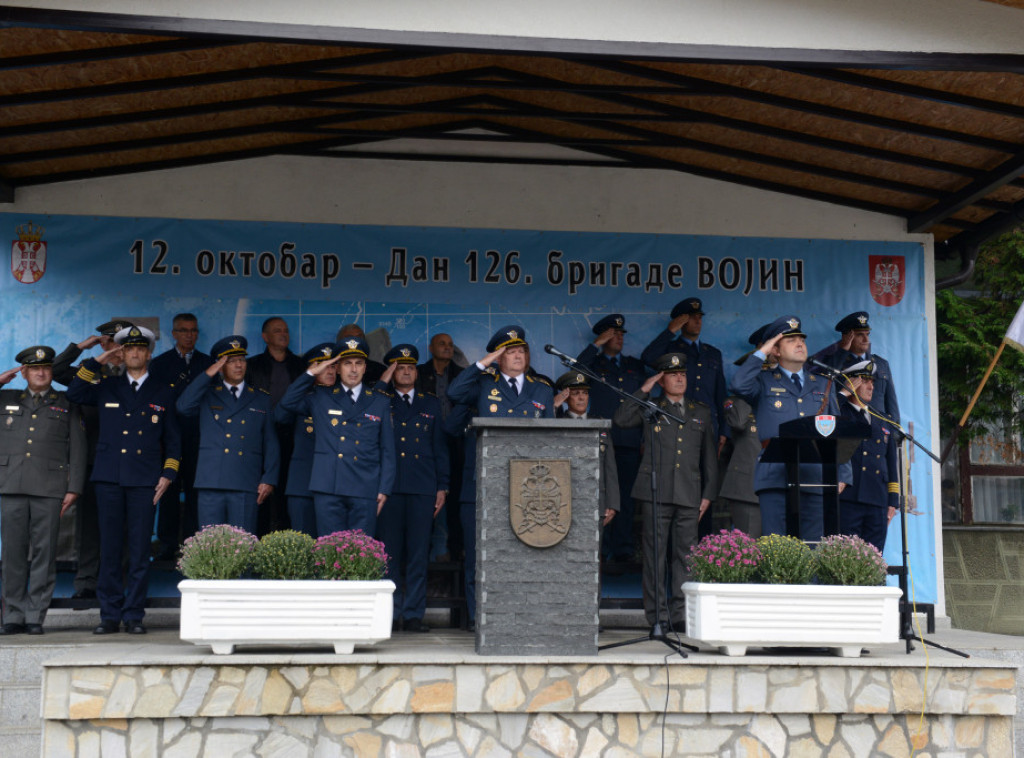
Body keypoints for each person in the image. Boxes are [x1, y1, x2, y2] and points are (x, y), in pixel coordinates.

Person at [67, 325, 180, 635]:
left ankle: (133, 615)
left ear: (149, 354)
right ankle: (109, 615)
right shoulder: (107, 386)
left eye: (140, 348)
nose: (135, 353)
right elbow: (74, 393)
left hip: (145, 480)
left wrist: (168, 474)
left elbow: (173, 440)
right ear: (122, 353)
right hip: (110, 478)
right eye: (129, 349)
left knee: (140, 550)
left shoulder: (163, 391)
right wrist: (99, 360)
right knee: (110, 549)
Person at [447, 325, 554, 629]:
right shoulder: (483, 384)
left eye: (521, 351)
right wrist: (484, 363)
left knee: (523, 556)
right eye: (510, 352)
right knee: (479, 556)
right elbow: (454, 393)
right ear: (498, 357)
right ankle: (478, 617)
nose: (517, 356)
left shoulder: (542, 390)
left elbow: (552, 440)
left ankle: (520, 616)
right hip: (482, 485)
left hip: (526, 489)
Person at [613, 352, 718, 633]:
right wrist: (644, 389)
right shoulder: (651, 407)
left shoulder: (700, 411)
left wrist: (708, 493)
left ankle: (681, 614)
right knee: (654, 556)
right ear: (661, 380)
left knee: (686, 557)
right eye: (672, 375)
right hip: (655, 492)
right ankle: (657, 616)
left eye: (682, 374)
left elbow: (709, 456)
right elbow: (621, 419)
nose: (679, 378)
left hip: (689, 492)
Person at [730, 315, 850, 543]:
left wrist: (843, 473)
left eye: (802, 339)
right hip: (775, 475)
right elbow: (738, 385)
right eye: (791, 340)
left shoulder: (822, 383)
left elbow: (836, 430)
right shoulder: (763, 381)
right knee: (777, 548)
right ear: (775, 350)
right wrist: (763, 351)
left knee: (813, 547)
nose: (799, 344)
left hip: (814, 476)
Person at [0, 346, 86, 635]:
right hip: (11, 484)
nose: (41, 372)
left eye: (46, 368)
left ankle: (35, 615)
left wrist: (74, 487)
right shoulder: (7, 398)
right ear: (23, 372)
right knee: (12, 554)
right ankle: (12, 614)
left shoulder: (67, 402)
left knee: (44, 554)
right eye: (35, 368)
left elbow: (78, 447)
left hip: (50, 488)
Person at [279, 336, 395, 536]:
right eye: (347, 363)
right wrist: (310, 373)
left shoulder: (379, 401)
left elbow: (387, 450)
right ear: (338, 368)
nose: (353, 369)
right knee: (328, 549)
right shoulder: (321, 396)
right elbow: (287, 403)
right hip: (328, 487)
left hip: (365, 487)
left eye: (358, 363)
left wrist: (384, 489)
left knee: (361, 549)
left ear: (365, 368)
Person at [51, 320, 130, 604]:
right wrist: (81, 348)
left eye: (122, 342)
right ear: (103, 342)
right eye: (111, 341)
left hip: (128, 461)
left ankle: (119, 583)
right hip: (92, 459)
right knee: (89, 526)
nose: (117, 348)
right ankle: (86, 582)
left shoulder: (139, 373)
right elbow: (55, 371)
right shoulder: (90, 370)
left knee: (125, 526)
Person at [377, 344, 449, 633]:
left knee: (419, 554)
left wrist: (442, 486)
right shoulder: (381, 401)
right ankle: (390, 614)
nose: (406, 372)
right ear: (392, 372)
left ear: (417, 373)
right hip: (390, 488)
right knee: (389, 555)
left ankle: (414, 614)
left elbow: (439, 448)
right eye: (400, 368)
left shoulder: (429, 403)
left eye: (410, 368)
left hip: (422, 487)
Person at [176, 335, 279, 534]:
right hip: (211, 480)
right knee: (210, 544)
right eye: (231, 361)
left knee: (243, 543)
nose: (238, 365)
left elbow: (270, 442)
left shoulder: (260, 398)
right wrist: (209, 373)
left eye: (241, 360)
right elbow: (182, 407)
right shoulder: (207, 394)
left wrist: (269, 478)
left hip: (245, 480)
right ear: (220, 366)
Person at [576, 313, 646, 564]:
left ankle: (623, 549)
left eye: (621, 334)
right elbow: (576, 371)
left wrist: (643, 438)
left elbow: (643, 402)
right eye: (613, 334)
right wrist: (596, 345)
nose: (619, 338)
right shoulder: (593, 365)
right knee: (599, 495)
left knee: (626, 497)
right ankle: (601, 549)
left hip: (628, 440)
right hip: (603, 441)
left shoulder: (633, 365)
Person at [149, 312, 213, 558]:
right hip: (169, 440)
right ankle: (166, 546)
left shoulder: (208, 363)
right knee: (168, 492)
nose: (189, 335)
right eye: (184, 330)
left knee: (196, 493)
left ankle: (192, 545)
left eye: (193, 330)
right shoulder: (160, 364)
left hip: (200, 438)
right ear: (174, 333)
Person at [640, 297, 727, 448]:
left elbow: (721, 394)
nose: (697, 321)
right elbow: (648, 357)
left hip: (708, 425)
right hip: (675, 423)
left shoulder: (713, 353)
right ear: (681, 321)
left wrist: (724, 430)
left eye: (699, 317)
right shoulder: (670, 349)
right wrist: (670, 331)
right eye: (692, 317)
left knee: (708, 464)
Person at [245, 317, 305, 534]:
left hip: (292, 435)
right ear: (265, 337)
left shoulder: (301, 365)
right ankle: (259, 538)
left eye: (285, 330)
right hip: (260, 436)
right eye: (277, 330)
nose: (283, 334)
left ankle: (287, 539)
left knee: (288, 489)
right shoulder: (252, 365)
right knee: (261, 489)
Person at [274, 342, 340, 537]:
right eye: (323, 366)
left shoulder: (343, 400)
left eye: (333, 366)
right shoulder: (302, 398)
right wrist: (308, 376)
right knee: (303, 545)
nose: (329, 371)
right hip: (303, 483)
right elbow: (280, 414)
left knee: (332, 546)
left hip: (333, 485)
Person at [837, 358, 899, 552]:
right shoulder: (840, 411)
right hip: (849, 498)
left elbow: (891, 461)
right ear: (852, 383)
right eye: (865, 381)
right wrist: (842, 394)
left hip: (877, 499)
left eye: (872, 382)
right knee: (845, 557)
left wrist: (893, 501)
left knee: (874, 558)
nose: (871, 387)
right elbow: (824, 418)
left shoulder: (882, 418)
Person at [717, 324, 774, 538]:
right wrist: (748, 390)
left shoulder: (777, 401)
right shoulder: (735, 401)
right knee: (750, 548)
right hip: (747, 488)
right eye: (762, 372)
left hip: (776, 486)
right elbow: (739, 422)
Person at [416, 332, 464, 562]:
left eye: (450, 344)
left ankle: (454, 553)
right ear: (431, 348)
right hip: (424, 443)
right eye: (442, 344)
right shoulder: (419, 373)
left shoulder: (461, 375)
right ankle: (425, 555)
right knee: (424, 501)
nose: (447, 347)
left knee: (454, 500)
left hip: (456, 443)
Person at [553, 370, 618, 528]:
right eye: (576, 393)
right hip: (564, 500)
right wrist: (553, 406)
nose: (581, 398)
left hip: (597, 499)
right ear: (566, 397)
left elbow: (610, 467)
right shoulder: (556, 422)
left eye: (585, 393)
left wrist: (613, 503)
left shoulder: (600, 424)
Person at [812, 311, 900, 424]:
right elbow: (826, 393)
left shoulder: (881, 364)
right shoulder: (834, 363)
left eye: (867, 334)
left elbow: (891, 405)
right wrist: (843, 351)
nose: (866, 340)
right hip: (849, 428)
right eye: (859, 335)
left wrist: (895, 430)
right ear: (847, 337)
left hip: (878, 430)